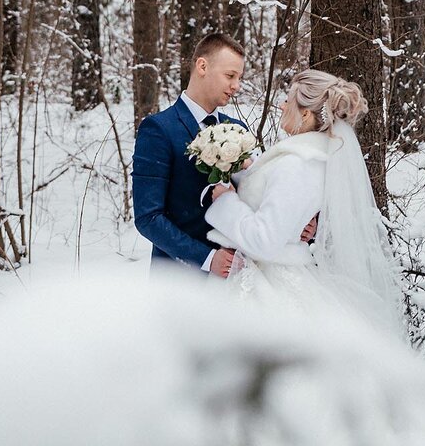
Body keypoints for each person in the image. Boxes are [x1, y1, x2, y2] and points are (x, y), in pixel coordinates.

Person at [204, 69, 404, 333]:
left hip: (266, 289)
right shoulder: (307, 159)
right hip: (271, 276)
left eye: (288, 101)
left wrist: (226, 201)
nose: (281, 106)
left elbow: (264, 240)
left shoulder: (296, 165)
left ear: (306, 114)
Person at [132, 33, 250, 277]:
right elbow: (148, 217)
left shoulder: (239, 131)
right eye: (230, 75)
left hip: (238, 280)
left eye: (239, 78)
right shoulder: (159, 129)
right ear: (202, 66)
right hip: (180, 281)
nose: (236, 85)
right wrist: (206, 259)